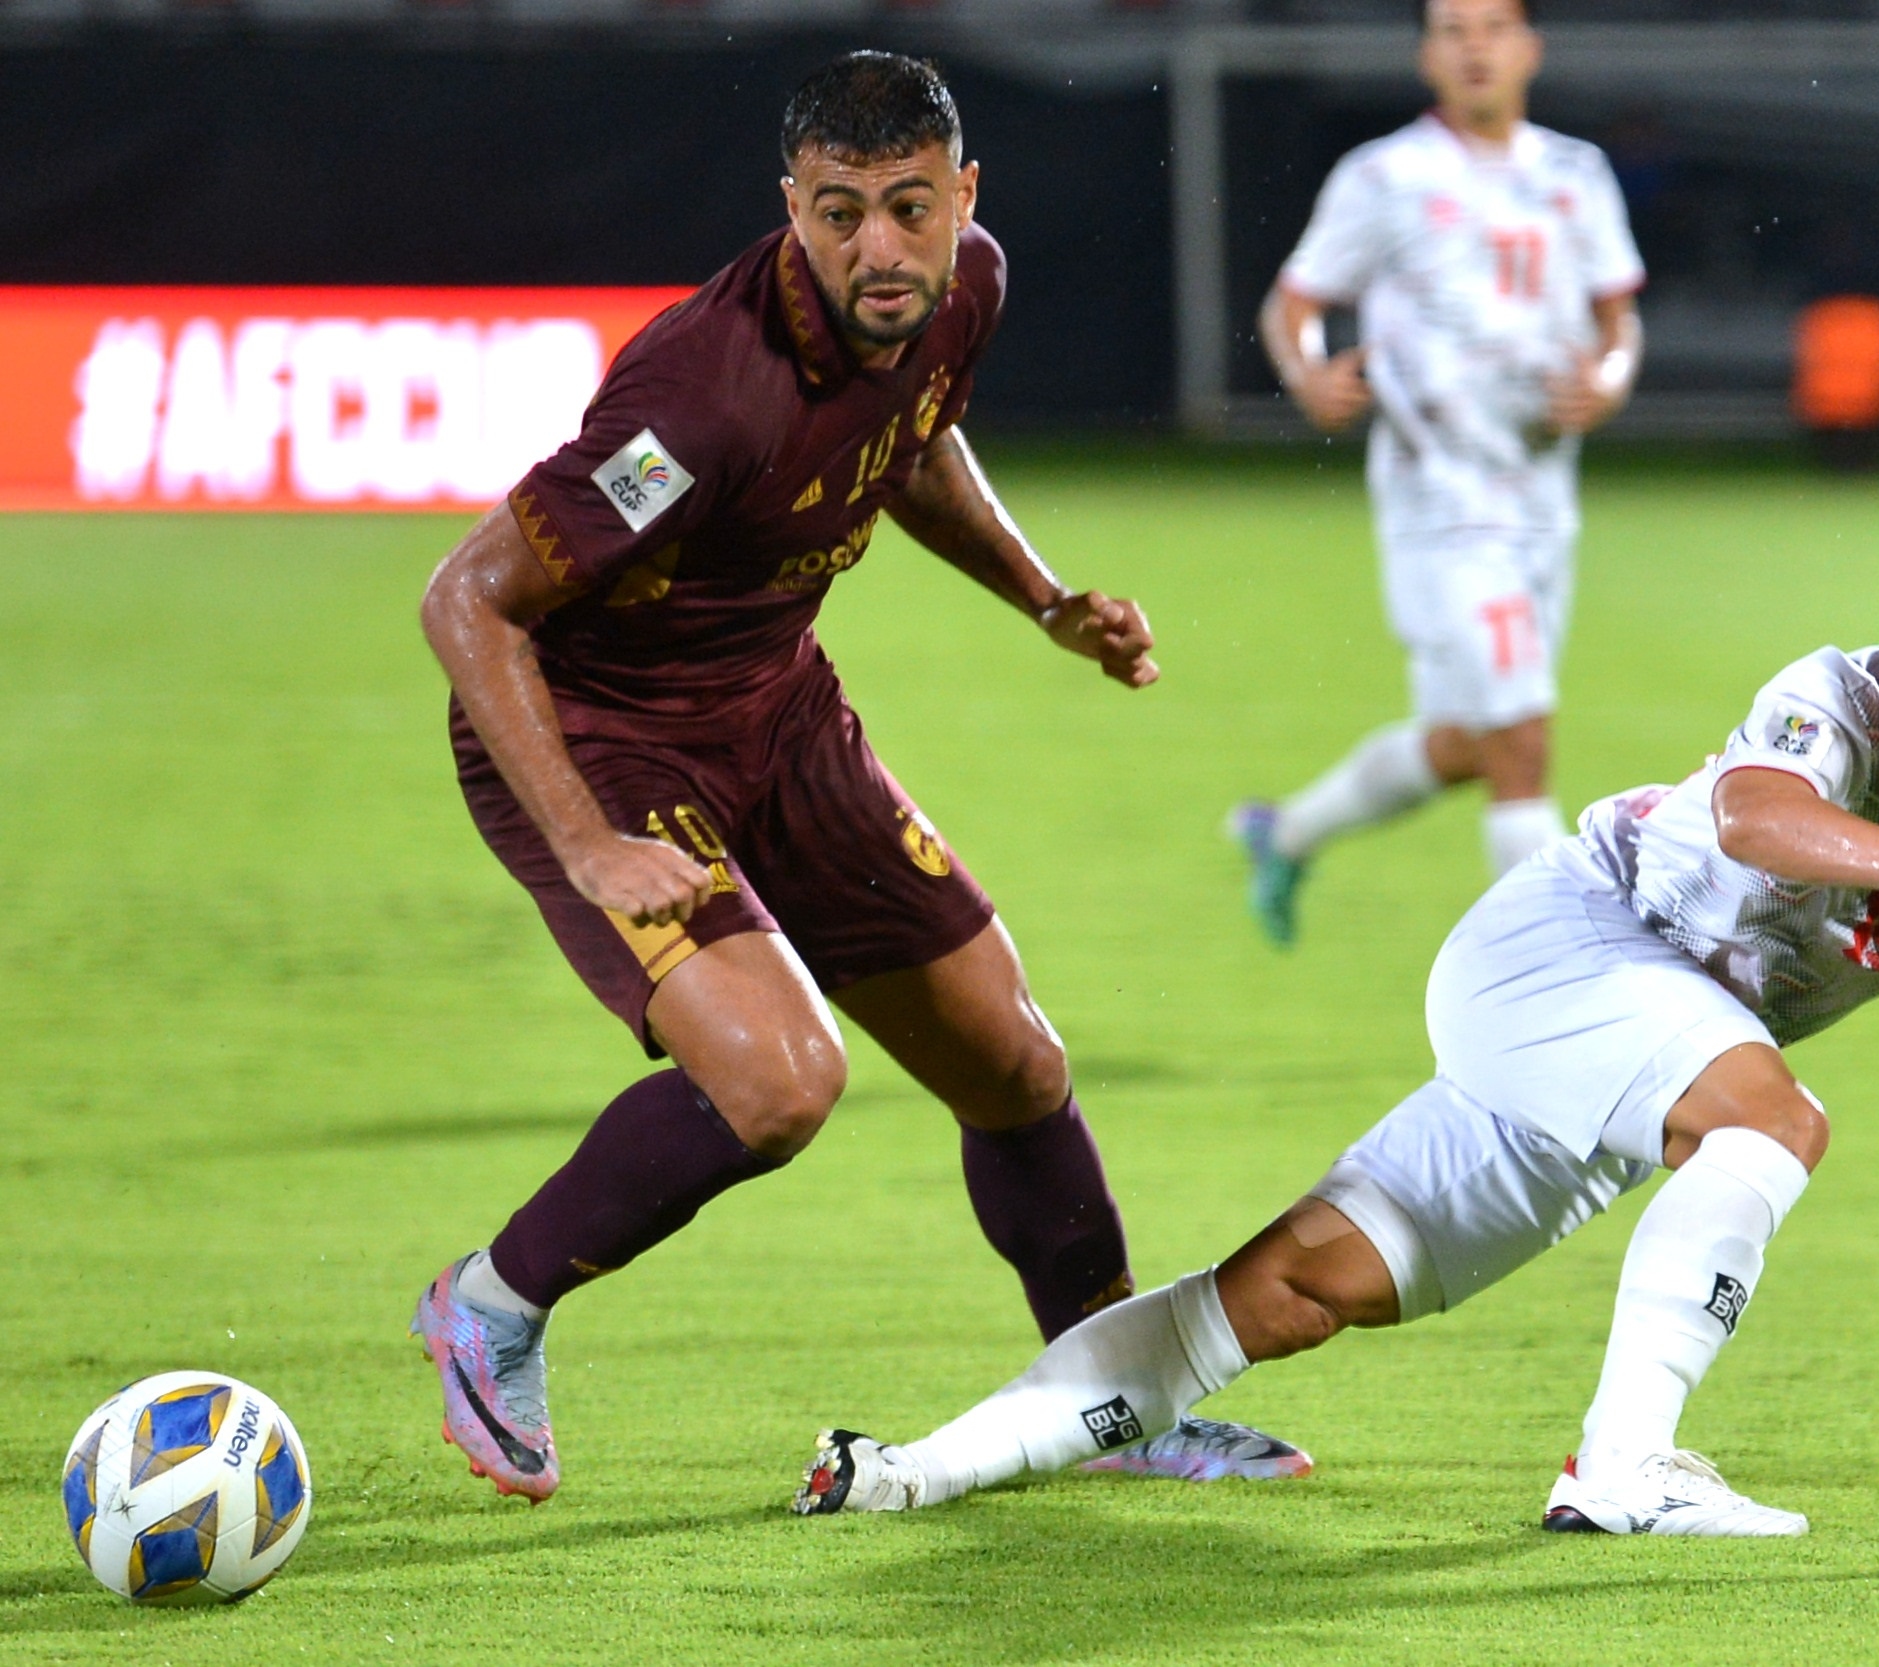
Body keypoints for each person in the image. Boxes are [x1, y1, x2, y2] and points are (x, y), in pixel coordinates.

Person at [793, 539, 1879, 1535]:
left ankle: (899, 1472)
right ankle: (1626, 1465)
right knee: (1769, 1125)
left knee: (1285, 1295)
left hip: (1622, 1057)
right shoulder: (1831, 690)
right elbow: (1754, 812)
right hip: (1574, 950)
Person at [410, 51, 1303, 1502]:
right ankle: (489, 1304)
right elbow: (470, 601)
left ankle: (1111, 1404)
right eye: (838, 214)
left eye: (904, 208)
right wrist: (585, 843)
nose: (875, 250)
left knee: (1011, 1057)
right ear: (792, 206)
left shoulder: (968, 290)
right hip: (606, 740)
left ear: (963, 196)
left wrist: (1045, 597)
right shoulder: (700, 399)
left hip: (780, 714)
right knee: (776, 1082)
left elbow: (913, 439)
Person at [1231, 0, 1647, 944]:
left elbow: (1619, 320)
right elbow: (1291, 305)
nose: (1474, 48)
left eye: (1492, 28)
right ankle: (1565, 979)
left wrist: (1612, 381)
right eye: (1453, 31)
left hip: (1543, 497)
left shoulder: (1576, 175)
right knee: (1525, 744)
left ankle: (1287, 833)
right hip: (1441, 503)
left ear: (1528, 47)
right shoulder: (1384, 178)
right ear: (1427, 55)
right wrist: (1306, 375)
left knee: (1473, 744)